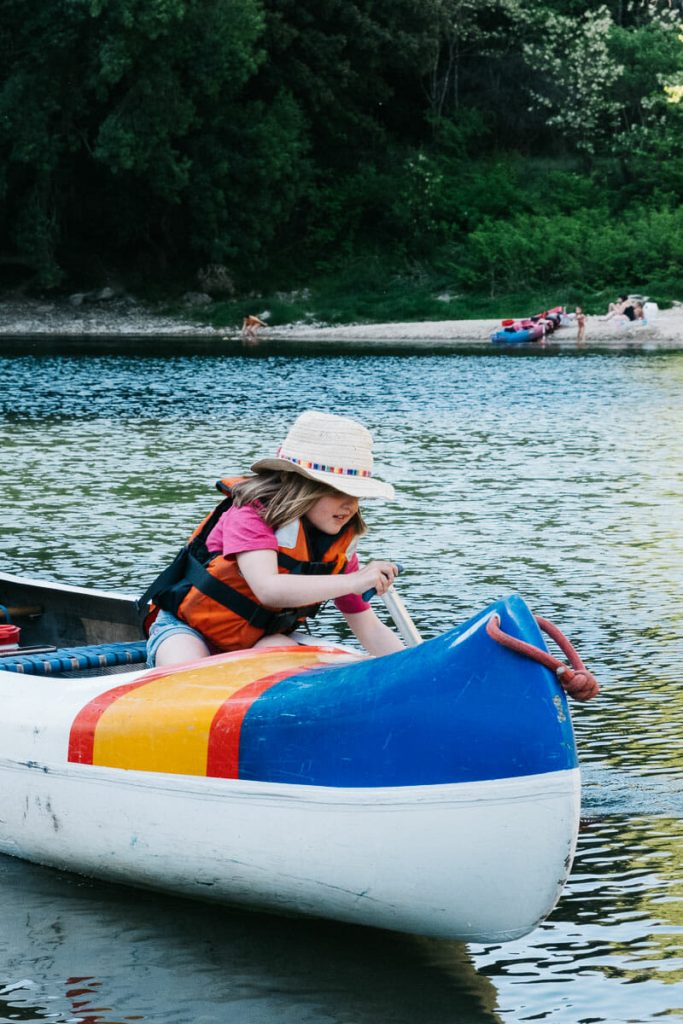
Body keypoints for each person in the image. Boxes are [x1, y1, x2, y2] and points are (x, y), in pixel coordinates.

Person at [144, 410, 405, 668]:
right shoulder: (251, 514)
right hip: (189, 629)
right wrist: (354, 581)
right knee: (187, 668)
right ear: (302, 486)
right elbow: (268, 589)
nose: (350, 505)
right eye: (338, 492)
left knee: (287, 660)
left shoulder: (338, 547)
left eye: (356, 496)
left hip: (259, 639)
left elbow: (369, 628)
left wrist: (413, 665)